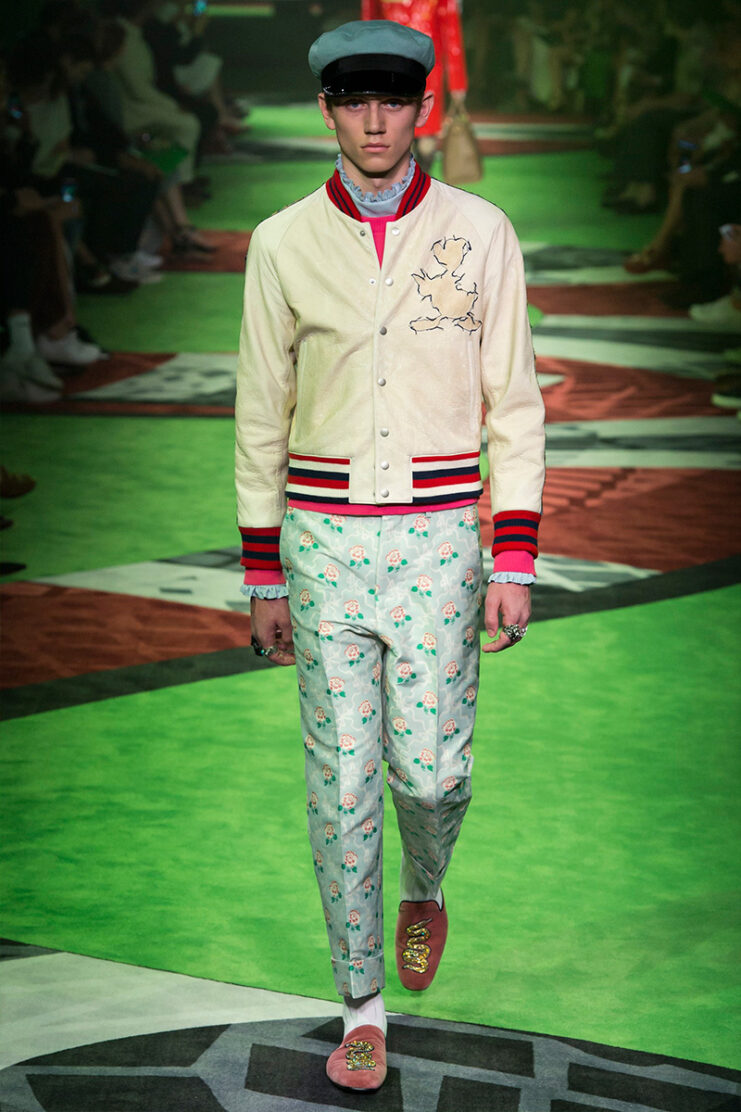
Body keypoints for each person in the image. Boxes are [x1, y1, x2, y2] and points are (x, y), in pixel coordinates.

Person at [234, 19, 545, 1094]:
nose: (374, 121)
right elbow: (260, 413)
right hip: (321, 545)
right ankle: (361, 1004)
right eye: (354, 101)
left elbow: (516, 400)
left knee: (432, 772)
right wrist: (262, 573)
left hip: (440, 539)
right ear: (327, 109)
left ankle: (426, 883)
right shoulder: (281, 242)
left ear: (423, 108)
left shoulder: (480, 230)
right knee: (342, 783)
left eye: (393, 101)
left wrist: (514, 556)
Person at [361, 0, 468, 171]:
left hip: (427, 72)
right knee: (398, 137)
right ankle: (404, 184)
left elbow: (451, 32)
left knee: (425, 141)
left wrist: (457, 83)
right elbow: (369, 26)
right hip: (393, 70)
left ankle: (420, 183)